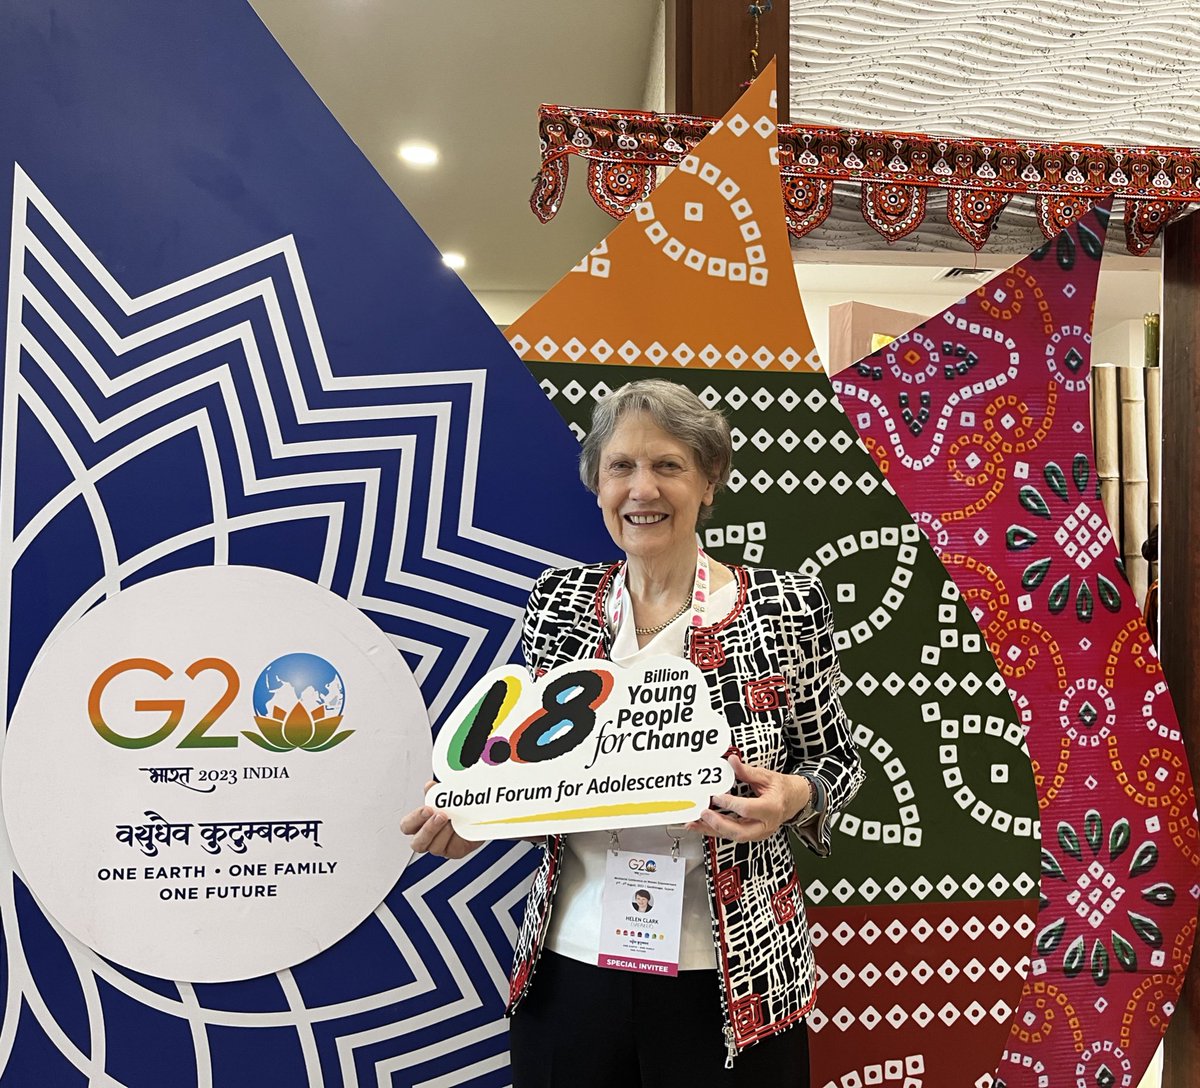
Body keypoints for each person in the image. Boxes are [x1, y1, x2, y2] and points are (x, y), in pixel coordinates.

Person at [402, 379, 864, 1086]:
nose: (641, 489)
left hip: (735, 981)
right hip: (570, 967)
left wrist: (795, 797)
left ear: (710, 480)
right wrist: (477, 812)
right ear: (597, 485)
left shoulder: (785, 606)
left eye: (668, 465)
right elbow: (537, 777)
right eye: (620, 467)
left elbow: (836, 760)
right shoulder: (557, 605)